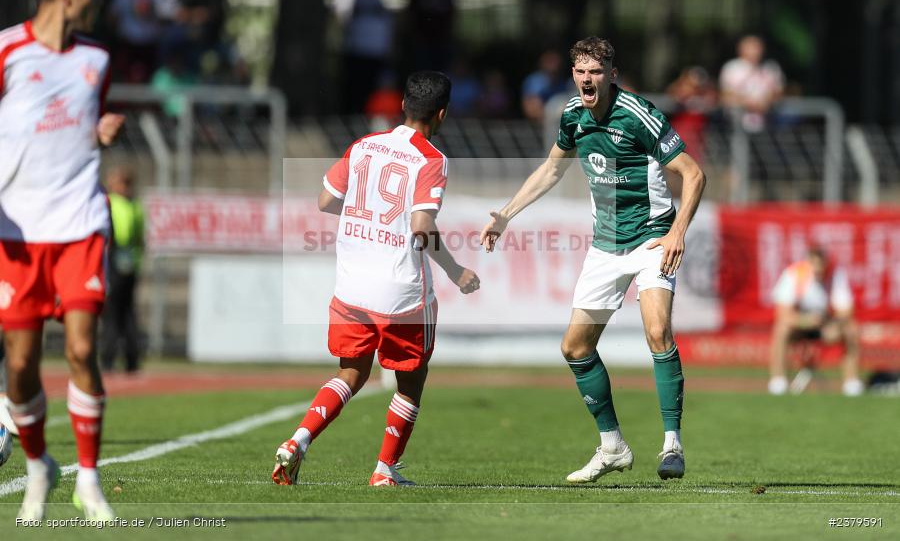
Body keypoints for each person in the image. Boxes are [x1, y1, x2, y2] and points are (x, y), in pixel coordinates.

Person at [480, 37, 706, 483]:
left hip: (650, 241)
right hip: (605, 247)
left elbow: (694, 174)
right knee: (575, 347)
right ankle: (612, 446)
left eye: (596, 71)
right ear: (573, 76)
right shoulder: (571, 116)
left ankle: (671, 444)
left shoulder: (640, 115)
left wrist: (677, 231)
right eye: (581, 71)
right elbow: (550, 169)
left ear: (612, 76)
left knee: (657, 330)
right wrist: (505, 215)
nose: (588, 79)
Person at [272, 71, 480, 487]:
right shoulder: (432, 159)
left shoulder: (364, 145)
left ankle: (298, 440)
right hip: (400, 292)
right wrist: (456, 271)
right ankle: (384, 470)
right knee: (410, 380)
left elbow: (326, 199)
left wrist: (361, 218)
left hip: (351, 286)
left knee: (351, 373)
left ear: (403, 105)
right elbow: (422, 227)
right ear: (442, 114)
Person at [0, 0, 125, 521]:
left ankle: (90, 482)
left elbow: (87, 129)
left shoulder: (96, 58)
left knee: (79, 348)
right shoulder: (6, 51)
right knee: (20, 366)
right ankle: (38, 466)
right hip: (18, 232)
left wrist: (102, 134)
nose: (95, 1)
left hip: (79, 223)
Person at [768, 247, 863, 397]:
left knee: (851, 329)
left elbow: (846, 311)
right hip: (799, 326)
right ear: (807, 263)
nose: (818, 270)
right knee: (781, 329)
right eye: (814, 265)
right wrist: (806, 321)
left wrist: (834, 323)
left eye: (821, 266)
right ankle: (778, 381)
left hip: (825, 326)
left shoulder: (835, 275)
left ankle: (851, 383)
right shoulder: (794, 274)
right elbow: (783, 314)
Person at [101, 166, 145, 373]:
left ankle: (109, 359)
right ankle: (131, 359)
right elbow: (140, 237)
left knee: (112, 313)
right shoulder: (136, 205)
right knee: (127, 313)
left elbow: (122, 235)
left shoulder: (115, 203)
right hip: (132, 265)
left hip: (115, 264)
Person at [718, 34, 784, 133]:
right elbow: (725, 94)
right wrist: (749, 103)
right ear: (741, 49)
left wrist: (766, 101)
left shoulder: (771, 67)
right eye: (752, 47)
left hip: (766, 125)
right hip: (737, 125)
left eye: (758, 47)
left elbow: (778, 92)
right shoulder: (731, 68)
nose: (756, 51)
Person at [520, 49, 573, 122]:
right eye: (550, 61)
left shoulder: (564, 82)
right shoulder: (535, 81)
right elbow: (530, 107)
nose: (554, 65)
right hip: (540, 124)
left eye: (555, 61)